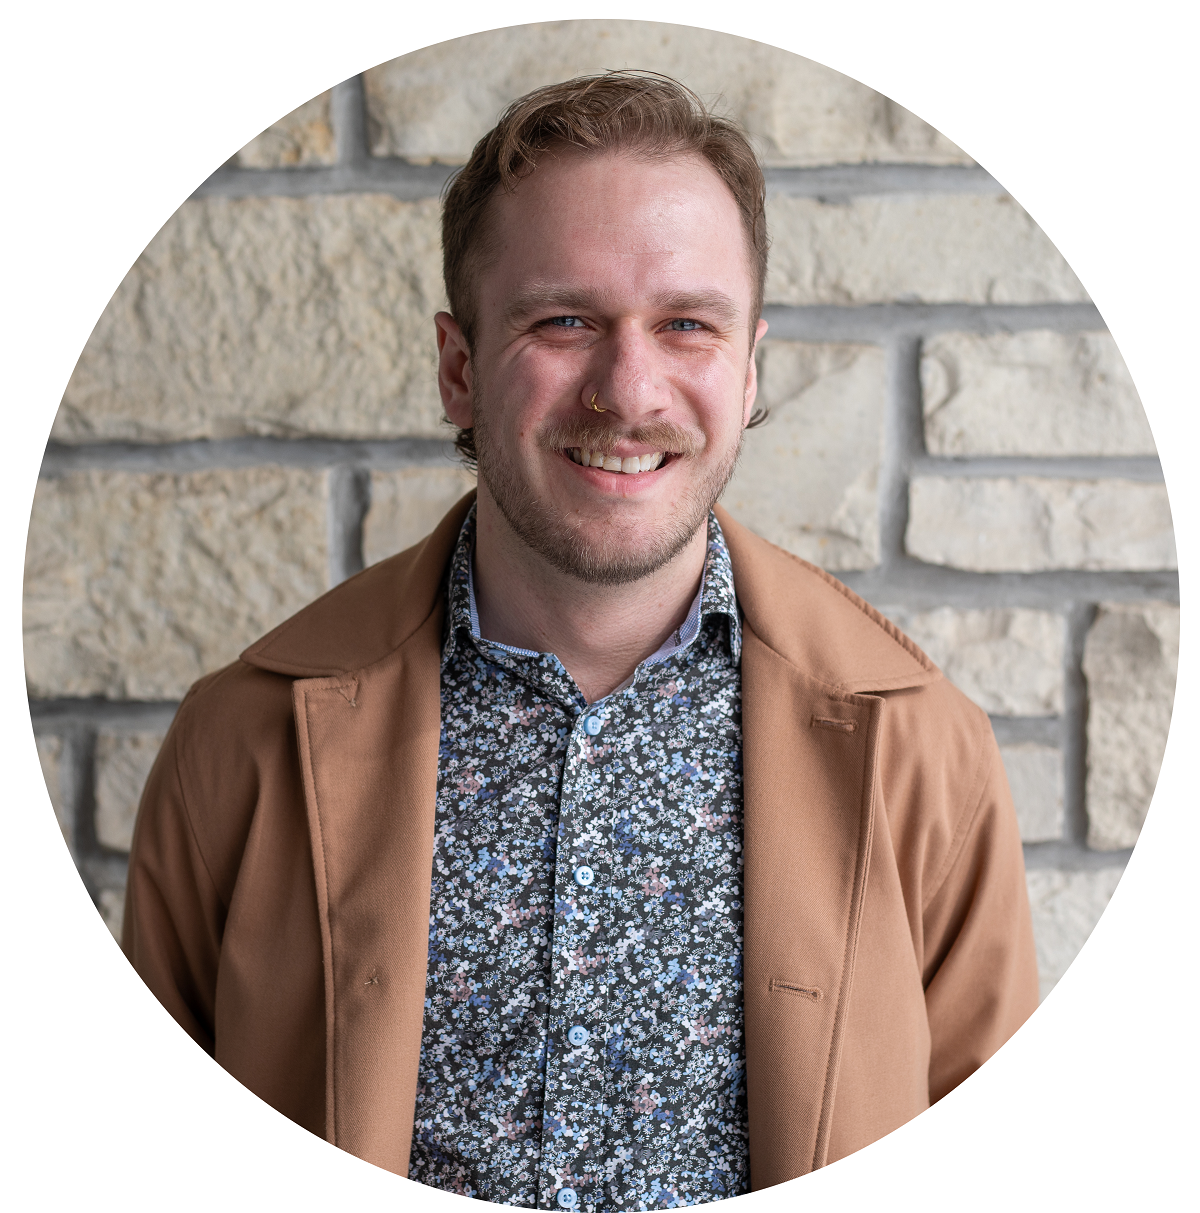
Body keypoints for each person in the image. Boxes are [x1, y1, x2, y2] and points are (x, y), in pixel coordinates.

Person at [122, 72, 1038, 1208]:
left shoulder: (922, 753)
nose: (628, 387)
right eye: (564, 321)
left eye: (686, 326)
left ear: (749, 367)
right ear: (460, 368)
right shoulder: (242, 741)